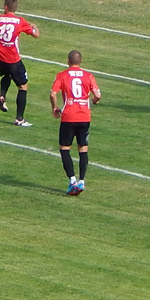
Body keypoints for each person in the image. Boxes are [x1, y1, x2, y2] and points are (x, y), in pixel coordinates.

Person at [0, 0, 40, 127]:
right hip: (13, 59)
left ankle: (2, 95)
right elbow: (36, 35)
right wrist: (34, 26)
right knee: (23, 86)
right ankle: (19, 119)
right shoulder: (20, 21)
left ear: (5, 7)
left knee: (7, 75)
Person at [50, 50, 101, 195]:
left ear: (68, 61)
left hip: (69, 116)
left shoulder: (62, 75)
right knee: (83, 148)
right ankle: (82, 180)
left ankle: (72, 180)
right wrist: (93, 101)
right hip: (84, 117)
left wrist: (54, 107)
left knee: (65, 148)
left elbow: (53, 93)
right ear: (80, 61)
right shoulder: (88, 75)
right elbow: (98, 95)